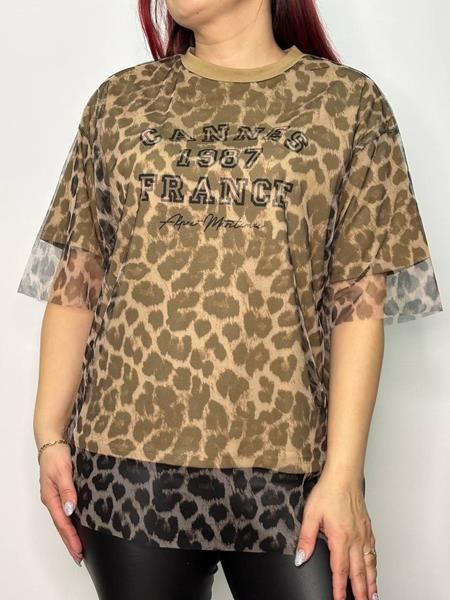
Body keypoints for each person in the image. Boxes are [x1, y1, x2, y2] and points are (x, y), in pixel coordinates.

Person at [18, 1, 444, 599]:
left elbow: (358, 303)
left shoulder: (346, 105)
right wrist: (49, 435)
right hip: (128, 464)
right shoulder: (121, 103)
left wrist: (344, 475)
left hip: (292, 470)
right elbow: (79, 279)